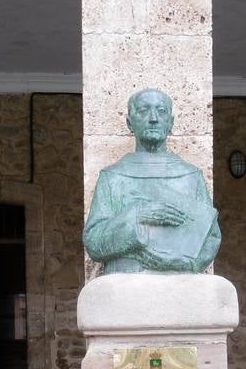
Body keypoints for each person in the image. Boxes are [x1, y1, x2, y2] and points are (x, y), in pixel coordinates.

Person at [83, 88, 221, 273]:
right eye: (143, 110)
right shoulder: (113, 176)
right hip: (126, 280)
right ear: (129, 123)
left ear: (171, 123)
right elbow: (93, 242)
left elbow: (211, 237)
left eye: (161, 111)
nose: (153, 118)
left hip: (179, 280)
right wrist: (137, 215)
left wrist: (185, 263)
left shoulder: (190, 175)